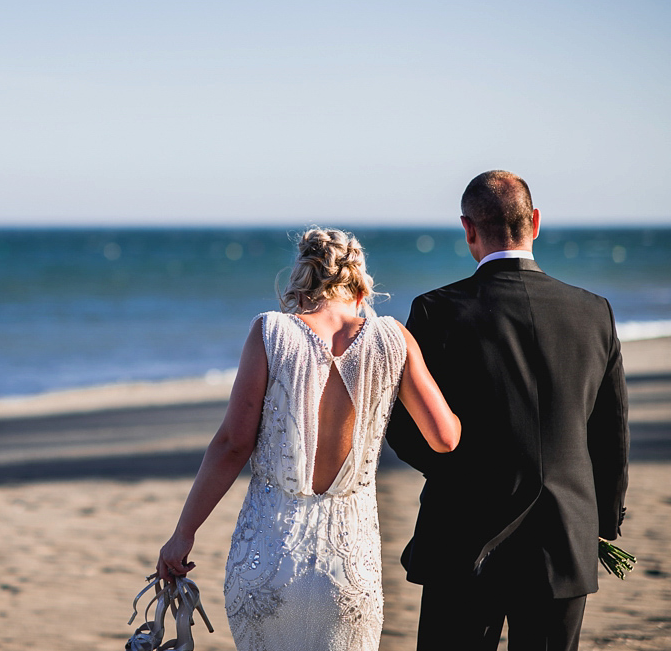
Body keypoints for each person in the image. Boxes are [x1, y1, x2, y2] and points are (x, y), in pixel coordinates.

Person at [156, 228, 461, 651]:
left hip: (269, 556)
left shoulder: (272, 332)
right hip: (348, 564)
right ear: (359, 285)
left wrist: (183, 534)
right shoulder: (393, 338)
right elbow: (444, 438)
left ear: (301, 279)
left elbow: (232, 444)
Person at [385, 171, 629, 651]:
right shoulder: (594, 311)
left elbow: (404, 429)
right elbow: (610, 433)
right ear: (535, 222)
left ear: (468, 229)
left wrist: (458, 471)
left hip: (461, 537)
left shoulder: (437, 311)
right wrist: (602, 526)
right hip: (563, 538)